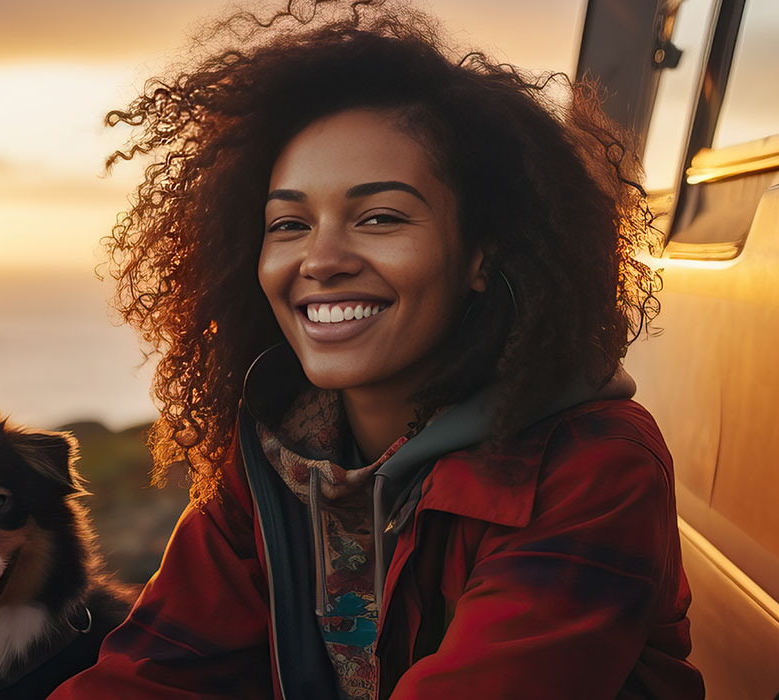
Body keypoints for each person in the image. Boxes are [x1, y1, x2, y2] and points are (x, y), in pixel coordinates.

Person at [50, 1, 702, 697]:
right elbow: (150, 673)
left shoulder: (594, 467)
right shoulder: (272, 459)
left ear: (483, 253)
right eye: (290, 223)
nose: (321, 258)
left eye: (380, 217)